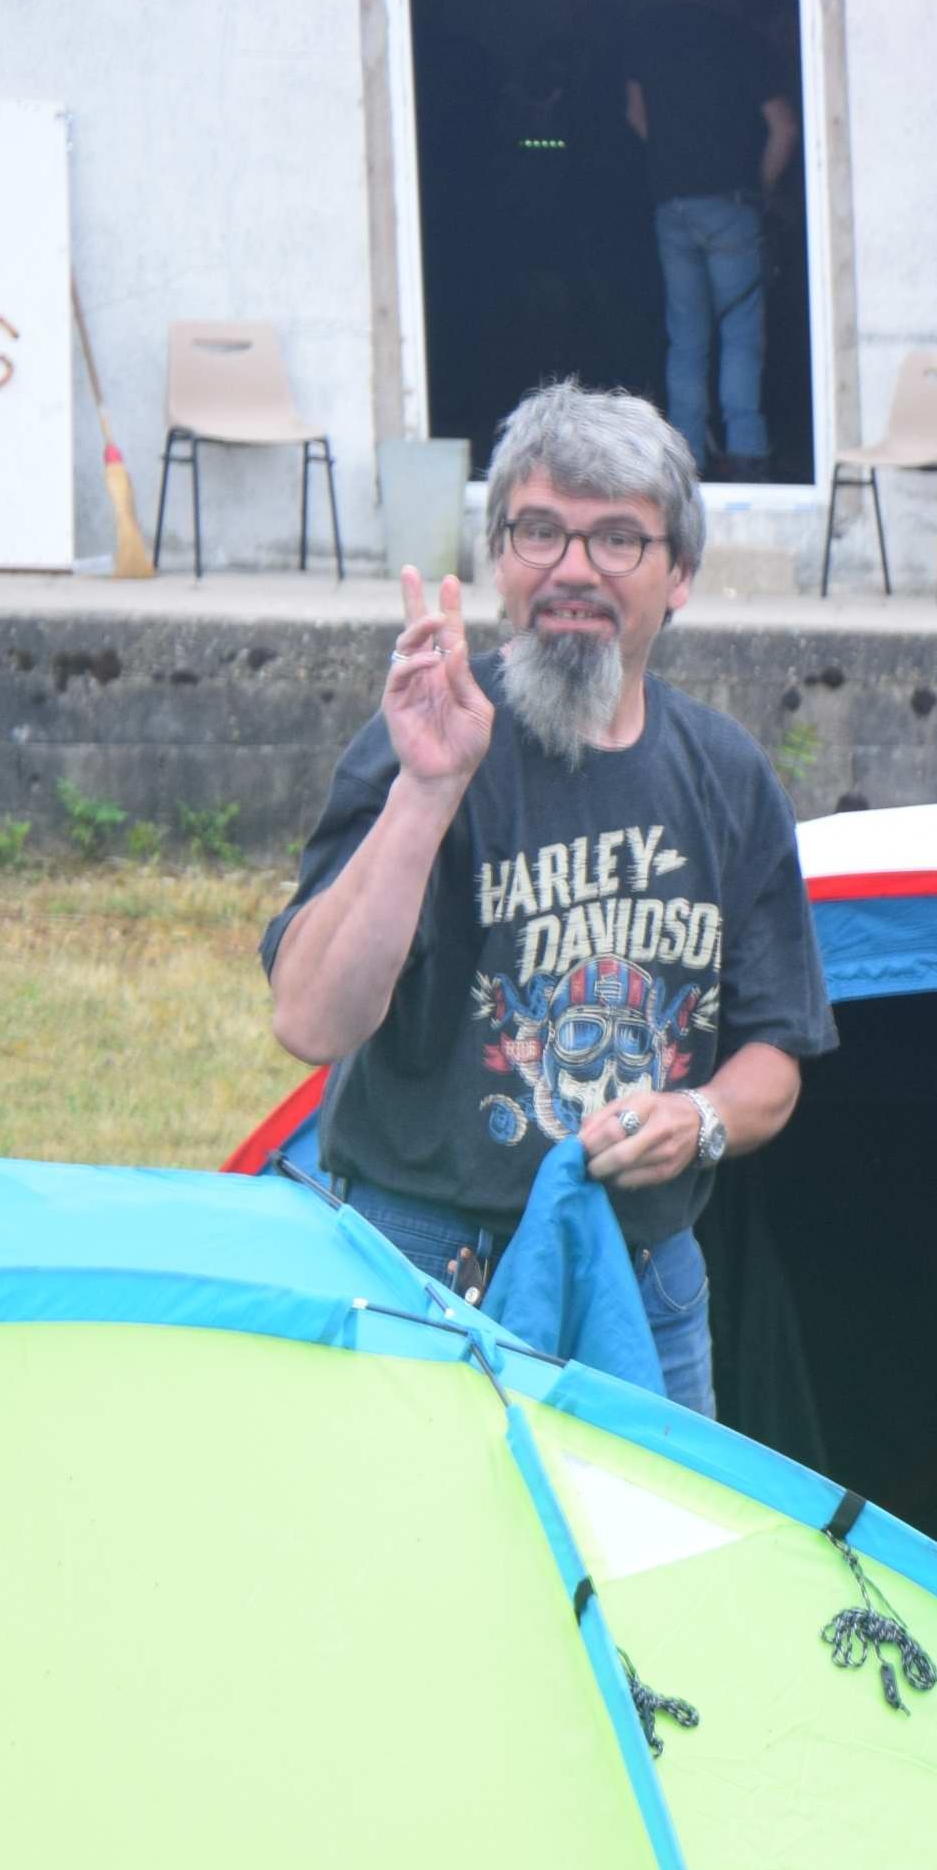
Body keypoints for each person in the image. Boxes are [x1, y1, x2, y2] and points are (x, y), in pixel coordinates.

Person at [262, 382, 836, 1418]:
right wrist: (428, 789)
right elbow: (311, 1021)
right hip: (424, 1272)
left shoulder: (729, 779)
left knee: (648, 1571)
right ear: (498, 560)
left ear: (681, 577)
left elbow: (774, 1062)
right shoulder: (422, 745)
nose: (574, 569)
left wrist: (698, 1117)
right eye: (541, 532)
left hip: (647, 1281)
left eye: (618, 539)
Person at [624, 0, 796, 481]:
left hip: (671, 205)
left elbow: (637, 118)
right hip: (731, 205)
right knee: (740, 334)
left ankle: (686, 453)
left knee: (687, 339)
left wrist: (672, 160)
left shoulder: (650, 42)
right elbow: (784, 126)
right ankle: (746, 450)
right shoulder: (743, 41)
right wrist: (762, 187)